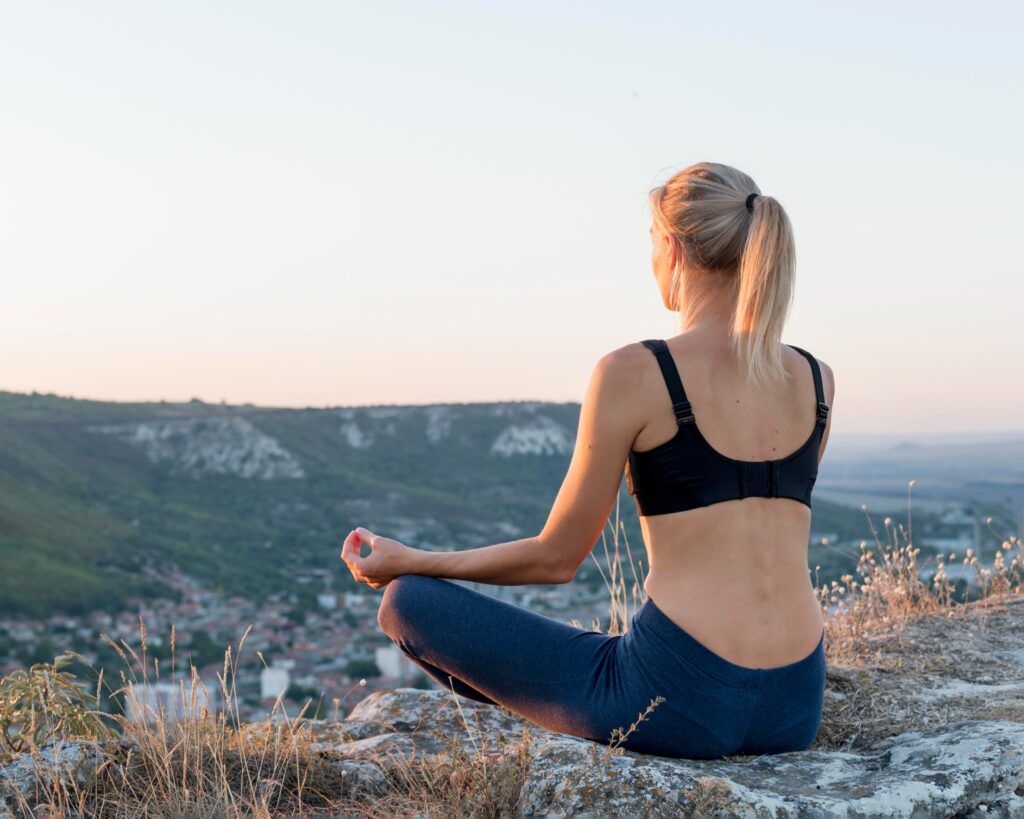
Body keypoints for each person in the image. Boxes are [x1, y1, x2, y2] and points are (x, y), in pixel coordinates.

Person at [340, 161, 835, 760]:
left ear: (673, 248)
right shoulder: (816, 377)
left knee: (408, 604)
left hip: (676, 700)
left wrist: (409, 561)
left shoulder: (635, 373)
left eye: (651, 243)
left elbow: (556, 558)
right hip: (793, 705)